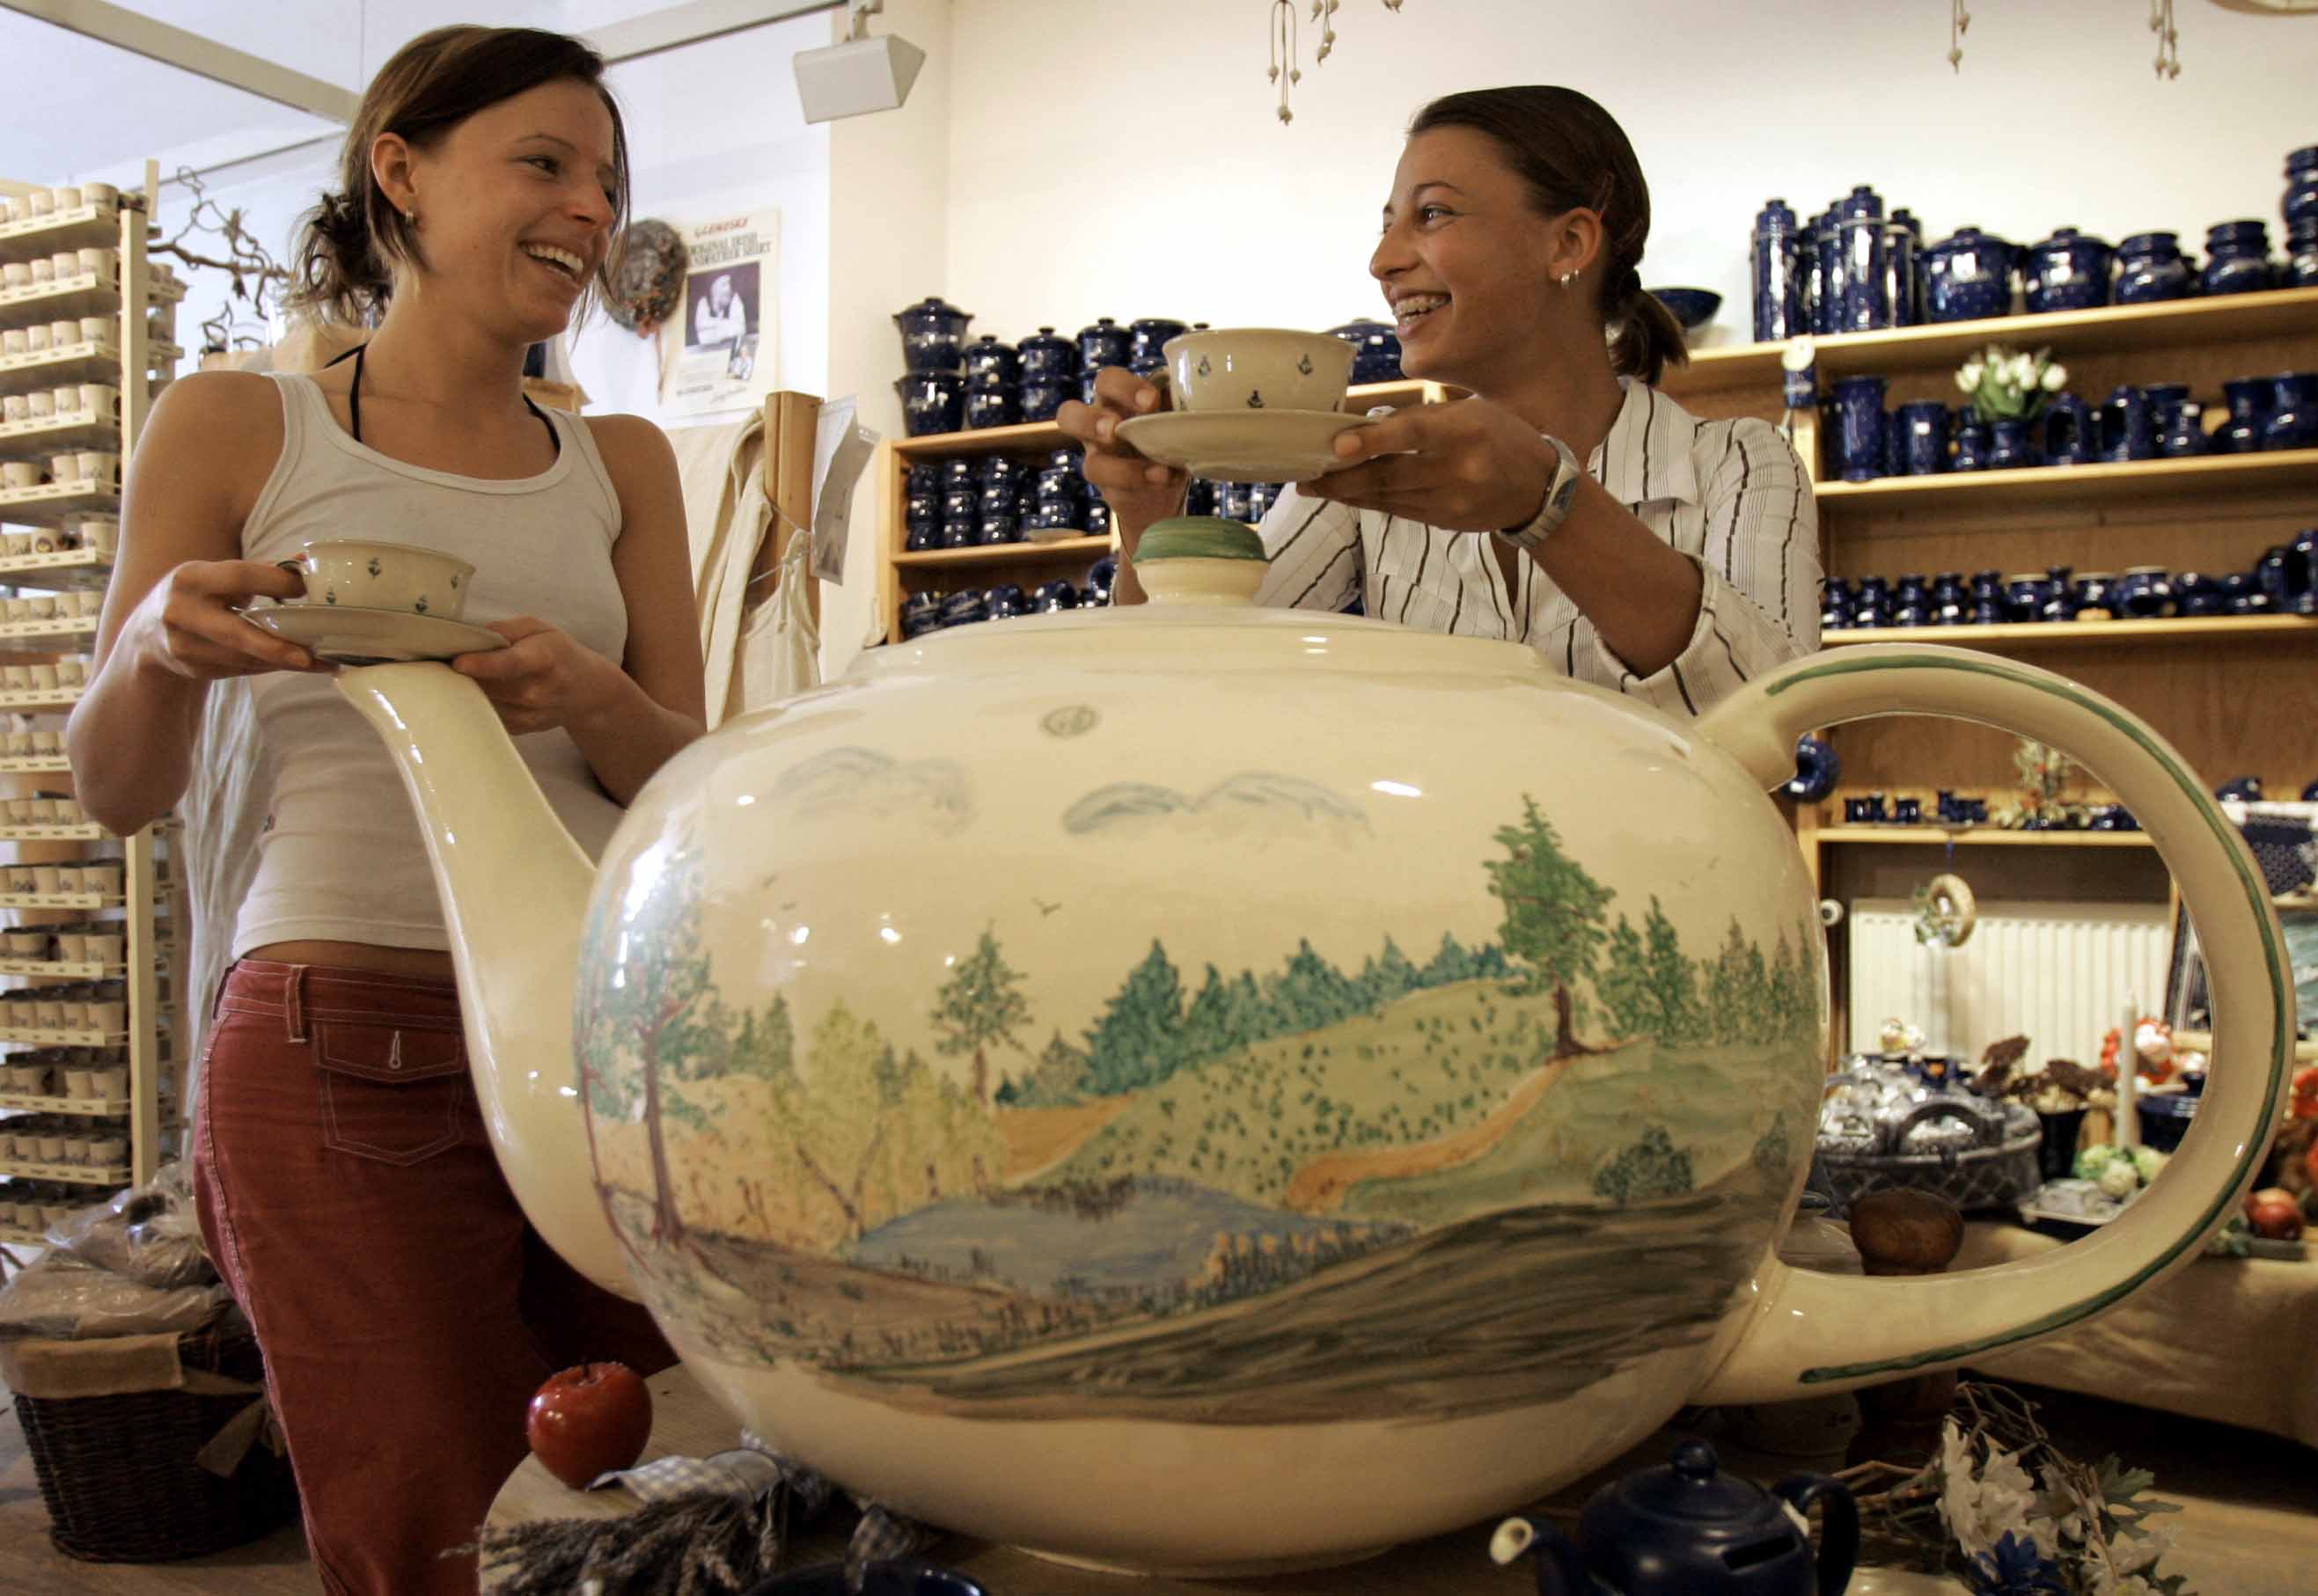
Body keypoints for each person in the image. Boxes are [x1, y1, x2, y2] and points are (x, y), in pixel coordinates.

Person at [66, 26, 704, 1594]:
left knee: (666, 1496)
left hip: (599, 1033)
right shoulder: (240, 422)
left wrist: (589, 693)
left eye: (606, 179)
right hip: (341, 1031)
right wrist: (155, 647)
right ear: (400, 172)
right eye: (543, 163)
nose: (588, 209)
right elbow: (114, 787)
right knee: (434, 1529)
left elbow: (685, 779)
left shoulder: (621, 459)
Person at [1063, 85, 1819, 718]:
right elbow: (1197, 682)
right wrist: (1147, 516)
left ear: (1568, 244)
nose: (1382, 261)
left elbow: (1776, 724)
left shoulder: (1740, 463)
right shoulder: (1371, 465)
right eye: (1387, 223)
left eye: (1432, 214)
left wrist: (1550, 505)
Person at [693, 270, 748, 347]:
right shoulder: (704, 301)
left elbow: (741, 329)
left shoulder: (735, 298)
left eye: (729, 283)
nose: (728, 289)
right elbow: (702, 335)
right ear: (713, 288)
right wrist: (728, 325)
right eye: (723, 284)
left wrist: (712, 327)